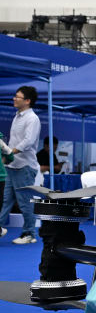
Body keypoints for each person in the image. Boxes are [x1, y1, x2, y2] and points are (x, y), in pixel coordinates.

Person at [0, 86, 41, 244]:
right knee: (5, 200)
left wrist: (9, 152)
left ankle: (29, 234)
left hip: (25, 166)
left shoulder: (32, 118)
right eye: (15, 96)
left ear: (27, 101)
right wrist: (7, 158)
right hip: (12, 165)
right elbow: (13, 142)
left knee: (24, 202)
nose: (14, 99)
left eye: (18, 97)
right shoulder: (17, 116)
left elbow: (28, 142)